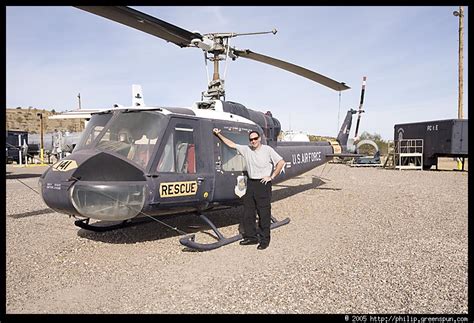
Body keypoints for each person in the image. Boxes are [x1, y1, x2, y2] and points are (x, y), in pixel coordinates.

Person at [213, 128, 285, 250]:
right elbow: (231, 144)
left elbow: (281, 162)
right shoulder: (246, 149)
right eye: (251, 139)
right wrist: (218, 134)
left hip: (263, 184)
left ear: (259, 139)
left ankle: (264, 240)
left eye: (255, 138)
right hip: (251, 183)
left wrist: (271, 176)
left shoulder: (267, 150)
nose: (253, 141)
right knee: (248, 212)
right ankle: (251, 237)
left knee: (263, 213)